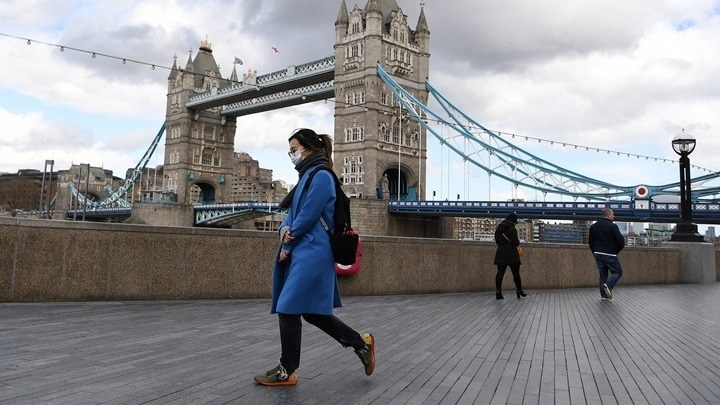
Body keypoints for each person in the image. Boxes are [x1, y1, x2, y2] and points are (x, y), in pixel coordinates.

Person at [254, 128, 375, 387]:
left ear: (308, 148)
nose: (291, 155)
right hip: (302, 248)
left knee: (288, 308)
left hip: (313, 251)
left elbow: (308, 215)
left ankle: (287, 370)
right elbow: (290, 215)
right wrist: (285, 231)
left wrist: (288, 240)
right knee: (312, 312)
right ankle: (361, 343)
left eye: (294, 150)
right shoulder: (306, 176)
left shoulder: (321, 176)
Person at [588, 207, 624, 299]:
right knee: (617, 272)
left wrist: (594, 252)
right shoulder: (613, 226)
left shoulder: (593, 226)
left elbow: (590, 242)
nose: (613, 216)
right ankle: (608, 285)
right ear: (608, 215)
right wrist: (616, 251)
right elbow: (621, 241)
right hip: (610, 253)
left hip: (598, 253)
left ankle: (604, 295)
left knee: (603, 274)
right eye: (612, 214)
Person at [493, 213, 526, 299]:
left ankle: (498, 292)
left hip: (501, 253)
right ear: (513, 221)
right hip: (512, 254)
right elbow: (515, 242)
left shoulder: (499, 228)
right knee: (516, 273)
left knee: (500, 273)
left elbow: (497, 241)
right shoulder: (512, 229)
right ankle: (519, 290)